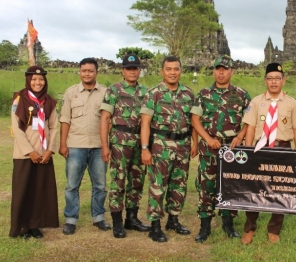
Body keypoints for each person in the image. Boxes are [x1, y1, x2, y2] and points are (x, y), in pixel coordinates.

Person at [190, 55, 251, 243]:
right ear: (214, 71)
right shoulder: (203, 94)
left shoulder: (242, 95)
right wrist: (207, 139)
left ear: (232, 71)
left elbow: (249, 120)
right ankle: (205, 226)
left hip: (232, 149)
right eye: (218, 69)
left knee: (230, 186)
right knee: (206, 186)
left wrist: (240, 136)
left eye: (225, 69)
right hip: (210, 148)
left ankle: (228, 223)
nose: (221, 72)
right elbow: (195, 120)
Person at [240, 63, 296, 245]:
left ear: (283, 80)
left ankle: (274, 229)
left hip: (282, 149)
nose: (274, 82)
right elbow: (250, 128)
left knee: (279, 190)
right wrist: (248, 151)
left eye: (277, 78)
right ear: (265, 81)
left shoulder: (292, 103)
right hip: (259, 149)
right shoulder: (256, 102)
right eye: (270, 78)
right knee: (254, 189)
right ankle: (249, 228)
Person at [140, 56, 196, 243]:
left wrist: (194, 143)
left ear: (181, 71)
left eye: (176, 69)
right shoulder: (153, 93)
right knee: (158, 185)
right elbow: (145, 124)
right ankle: (155, 225)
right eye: (168, 69)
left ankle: (173, 219)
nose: (172, 72)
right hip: (160, 147)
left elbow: (194, 123)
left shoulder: (188, 94)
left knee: (178, 185)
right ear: (162, 71)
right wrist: (145, 148)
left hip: (182, 146)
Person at [100, 54, 150, 238]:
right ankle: (117, 223)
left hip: (139, 141)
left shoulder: (146, 92)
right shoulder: (114, 90)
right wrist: (105, 146)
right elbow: (105, 119)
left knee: (137, 182)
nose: (132, 71)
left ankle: (132, 218)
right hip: (120, 142)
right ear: (123, 70)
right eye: (129, 68)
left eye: (135, 68)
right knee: (118, 181)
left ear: (139, 70)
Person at [59, 57, 109, 235]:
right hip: (75, 146)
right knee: (72, 185)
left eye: (90, 71)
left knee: (100, 185)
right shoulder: (71, 93)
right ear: (80, 72)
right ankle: (71, 219)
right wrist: (63, 144)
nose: (87, 73)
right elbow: (65, 120)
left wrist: (106, 145)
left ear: (97, 72)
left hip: (98, 146)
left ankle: (99, 217)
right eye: (84, 71)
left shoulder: (105, 92)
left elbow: (108, 121)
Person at [10, 66, 59, 239]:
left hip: (43, 154)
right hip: (24, 154)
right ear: (28, 81)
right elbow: (16, 129)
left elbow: (54, 126)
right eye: (34, 79)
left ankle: (35, 224)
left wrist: (50, 150)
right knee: (23, 190)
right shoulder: (19, 99)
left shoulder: (49, 101)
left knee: (40, 191)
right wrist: (30, 151)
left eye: (41, 79)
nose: (38, 83)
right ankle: (22, 226)